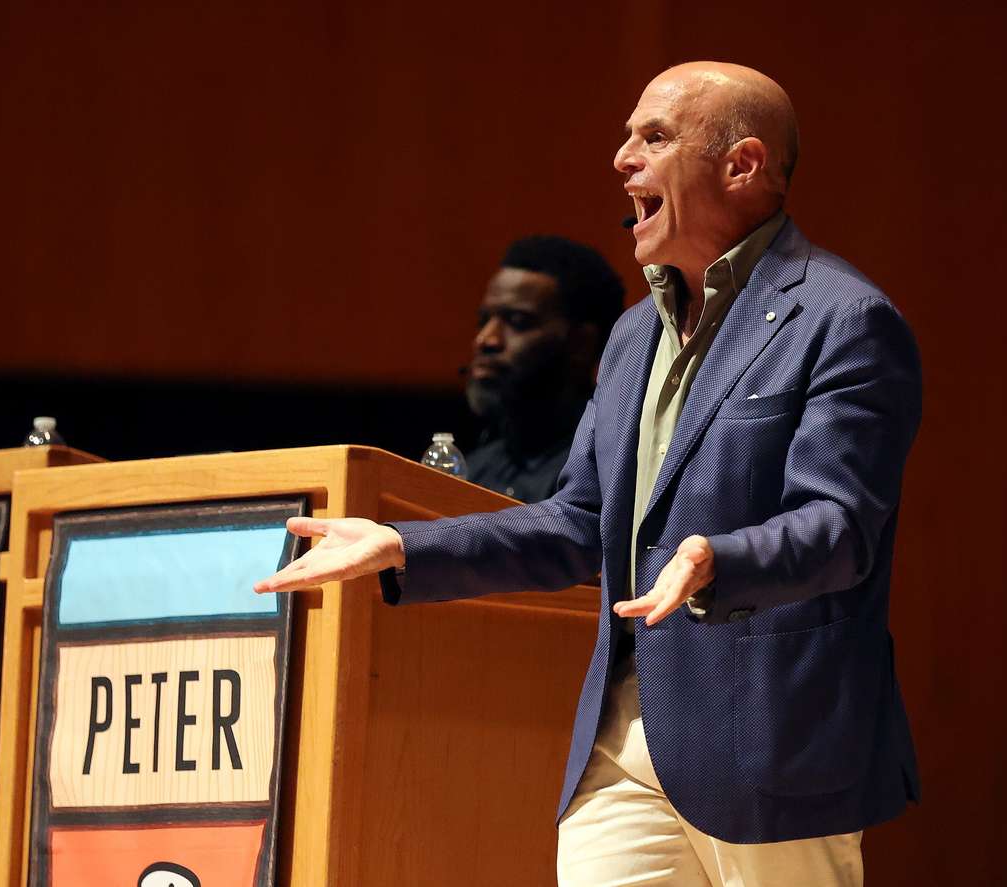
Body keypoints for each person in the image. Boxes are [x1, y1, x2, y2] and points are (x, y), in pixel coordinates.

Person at [257, 61, 922, 886]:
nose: (621, 158)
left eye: (654, 137)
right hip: (620, 747)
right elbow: (579, 521)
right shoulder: (633, 333)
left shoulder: (844, 319)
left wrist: (718, 557)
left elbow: (841, 526)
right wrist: (402, 543)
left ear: (742, 165)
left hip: (770, 746)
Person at [464, 236, 624, 503]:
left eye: (517, 322)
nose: (486, 339)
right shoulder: (475, 466)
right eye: (484, 321)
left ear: (581, 344)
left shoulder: (605, 471)